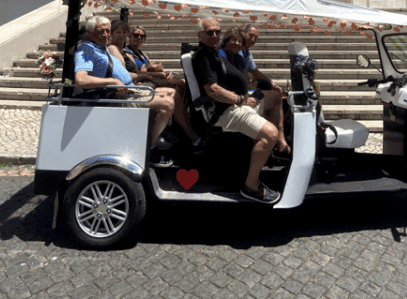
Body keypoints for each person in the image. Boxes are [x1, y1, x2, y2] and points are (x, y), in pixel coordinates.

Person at [191, 18, 281, 204]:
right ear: (200, 35)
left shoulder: (214, 53)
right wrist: (241, 99)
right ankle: (251, 186)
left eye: (217, 31)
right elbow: (212, 89)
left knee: (275, 97)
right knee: (269, 134)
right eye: (210, 32)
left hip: (237, 103)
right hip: (226, 111)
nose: (215, 35)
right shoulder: (204, 56)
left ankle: (271, 148)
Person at [74, 16, 174, 167]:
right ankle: (150, 151)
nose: (106, 35)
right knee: (167, 104)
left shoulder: (103, 49)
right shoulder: (86, 49)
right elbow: (81, 79)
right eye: (101, 31)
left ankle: (158, 136)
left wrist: (148, 75)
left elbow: (124, 75)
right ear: (90, 32)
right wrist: (112, 82)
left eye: (108, 31)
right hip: (114, 98)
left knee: (171, 93)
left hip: (130, 90)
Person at [109, 21, 201, 149]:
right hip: (134, 89)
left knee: (178, 89)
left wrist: (157, 71)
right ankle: (152, 146)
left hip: (142, 84)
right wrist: (149, 73)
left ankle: (178, 128)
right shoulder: (118, 50)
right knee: (172, 96)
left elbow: (135, 73)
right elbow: (127, 74)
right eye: (136, 35)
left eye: (124, 32)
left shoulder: (128, 52)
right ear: (111, 34)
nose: (139, 38)